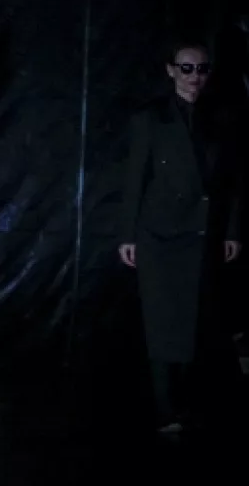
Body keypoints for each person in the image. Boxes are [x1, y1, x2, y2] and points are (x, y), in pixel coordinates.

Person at [118, 42, 243, 436]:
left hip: (204, 236)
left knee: (198, 323)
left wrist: (233, 231)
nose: (195, 77)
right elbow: (135, 179)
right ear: (171, 70)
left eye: (202, 69)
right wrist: (127, 235)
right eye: (187, 68)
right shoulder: (150, 119)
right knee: (163, 323)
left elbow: (233, 181)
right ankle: (165, 409)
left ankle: (190, 405)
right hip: (159, 237)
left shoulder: (221, 119)